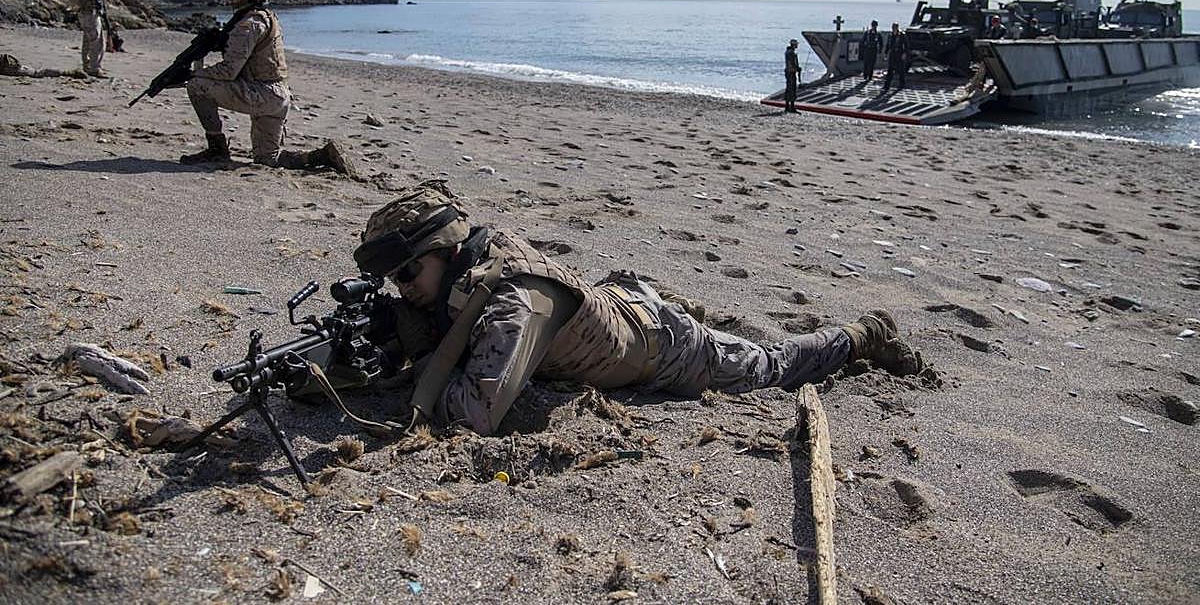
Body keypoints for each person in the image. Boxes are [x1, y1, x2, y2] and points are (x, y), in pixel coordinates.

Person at [351, 181, 928, 435]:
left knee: (770, 367)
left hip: (667, 352)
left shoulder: (517, 301)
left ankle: (861, 334)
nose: (401, 287)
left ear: (449, 251)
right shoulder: (464, 272)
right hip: (614, 311)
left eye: (406, 272)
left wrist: (419, 352)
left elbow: (478, 413)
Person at [179, 0, 357, 175]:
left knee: (197, 86)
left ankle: (217, 149)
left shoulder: (249, 24)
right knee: (267, 160)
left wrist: (193, 73)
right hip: (277, 96)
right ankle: (321, 156)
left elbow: (228, 71)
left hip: (262, 94)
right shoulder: (264, 17)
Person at [73, 0, 107, 78]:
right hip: (88, 13)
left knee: (88, 41)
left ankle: (88, 66)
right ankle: (94, 68)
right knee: (96, 41)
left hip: (89, 12)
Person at [881, 22, 910, 92]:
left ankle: (901, 84)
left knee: (901, 71)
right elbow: (888, 45)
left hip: (899, 54)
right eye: (893, 27)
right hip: (892, 54)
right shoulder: (890, 35)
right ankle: (886, 86)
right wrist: (885, 53)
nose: (894, 29)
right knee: (890, 70)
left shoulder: (902, 35)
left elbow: (906, 45)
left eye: (895, 27)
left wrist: (905, 53)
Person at [783, 38, 800, 113]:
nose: (797, 46)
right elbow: (792, 64)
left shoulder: (788, 52)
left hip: (788, 72)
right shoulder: (791, 53)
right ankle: (791, 107)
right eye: (796, 44)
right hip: (791, 73)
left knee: (789, 88)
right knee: (792, 89)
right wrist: (797, 68)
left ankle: (787, 106)